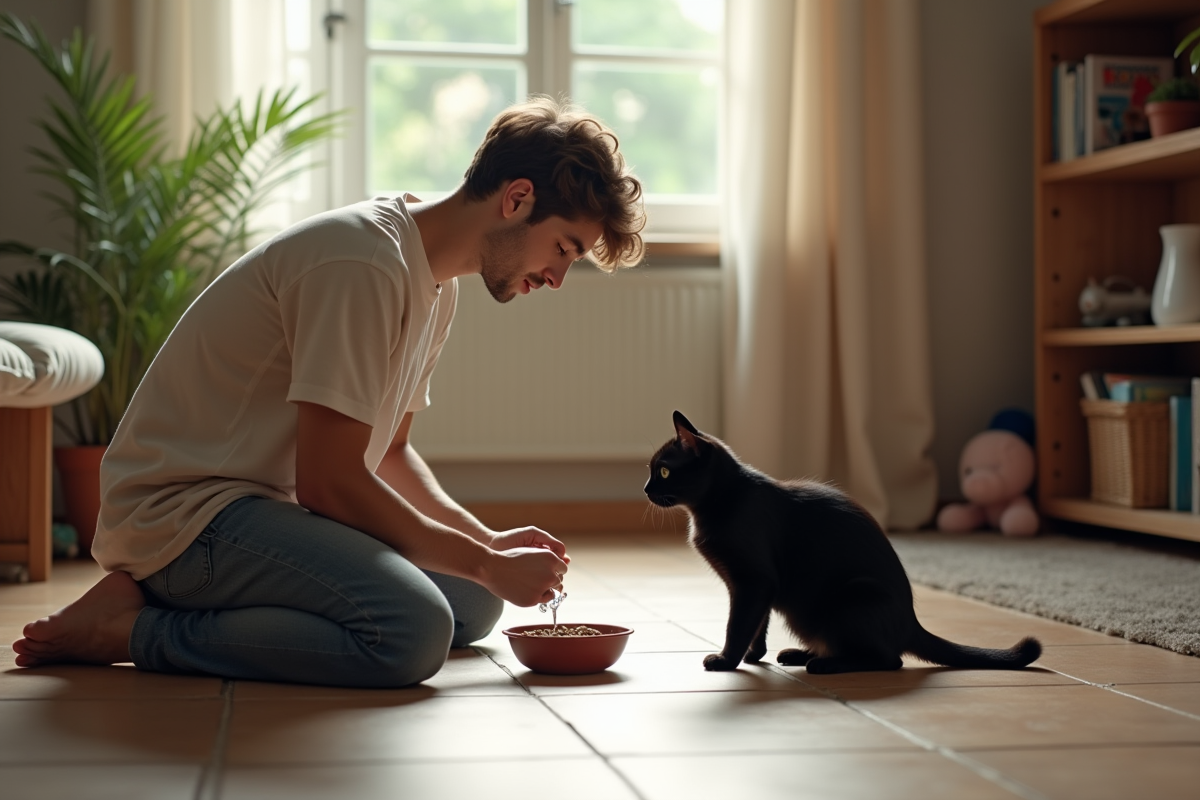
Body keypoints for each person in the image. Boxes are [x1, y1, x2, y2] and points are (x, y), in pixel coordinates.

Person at [12, 96, 646, 687]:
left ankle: (160, 597)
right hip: (186, 516)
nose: (560, 277)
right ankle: (135, 626)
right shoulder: (362, 262)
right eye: (564, 248)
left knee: (475, 602)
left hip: (266, 512)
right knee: (414, 631)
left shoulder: (437, 286)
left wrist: (483, 544)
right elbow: (330, 482)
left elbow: (390, 452)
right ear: (517, 199)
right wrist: (481, 558)